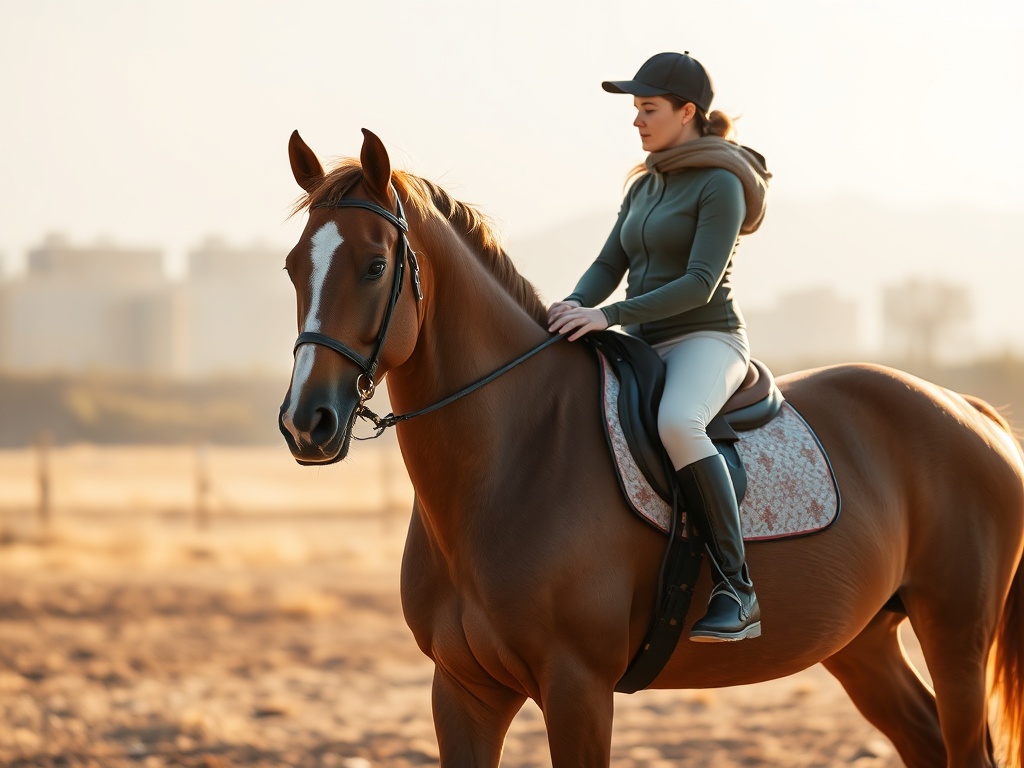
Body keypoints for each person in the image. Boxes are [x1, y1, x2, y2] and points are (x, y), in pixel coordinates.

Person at [547, 51, 771, 642]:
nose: (637, 121)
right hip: (639, 340)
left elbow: (699, 283)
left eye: (648, 109)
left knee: (678, 423)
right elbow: (608, 261)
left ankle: (737, 587)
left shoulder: (721, 182)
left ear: (687, 112)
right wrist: (570, 309)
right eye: (636, 109)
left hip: (706, 338)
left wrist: (607, 315)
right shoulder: (646, 183)